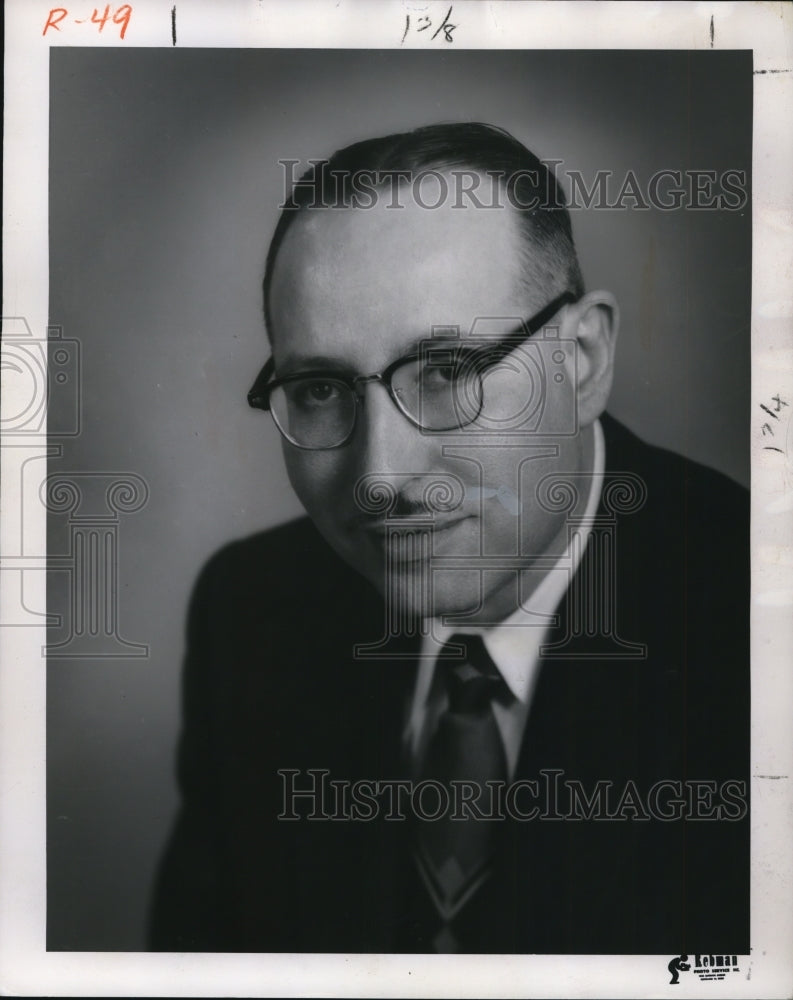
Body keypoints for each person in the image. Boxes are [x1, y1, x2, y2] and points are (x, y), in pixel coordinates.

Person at [149, 123, 749, 954]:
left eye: (447, 373)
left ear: (581, 359)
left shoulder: (757, 616)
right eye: (320, 388)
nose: (382, 475)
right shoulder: (250, 612)